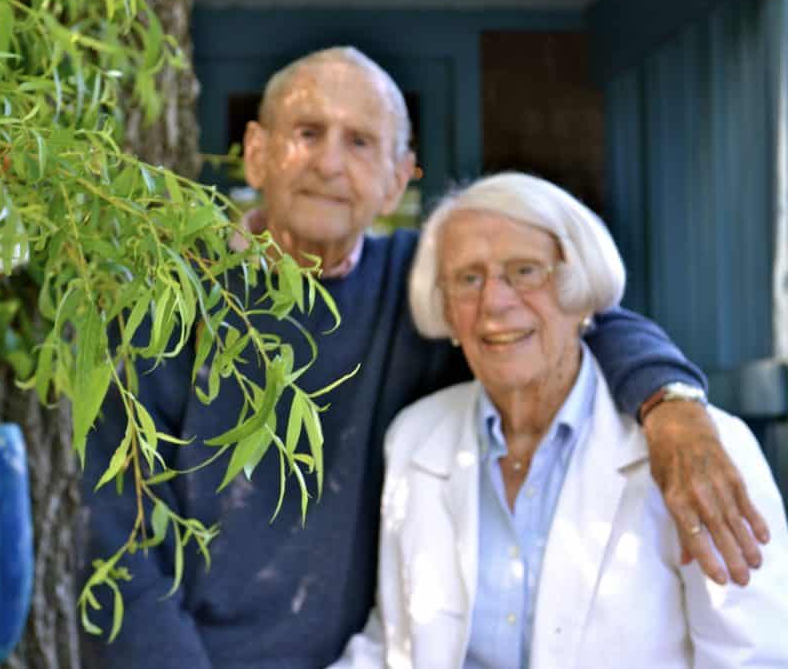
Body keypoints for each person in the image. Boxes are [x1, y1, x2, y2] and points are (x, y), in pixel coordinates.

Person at [78, 47, 768, 669]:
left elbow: (578, 317)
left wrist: (671, 402)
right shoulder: (167, 312)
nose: (328, 162)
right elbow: (118, 543)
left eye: (359, 141)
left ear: (398, 177)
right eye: (307, 133)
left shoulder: (433, 289)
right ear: (255, 153)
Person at [330, 172, 788, 668]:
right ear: (446, 312)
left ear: (580, 290)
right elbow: (394, 645)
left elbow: (753, 655)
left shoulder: (700, 449)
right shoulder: (416, 437)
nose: (494, 303)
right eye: (468, 279)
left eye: (525, 271)